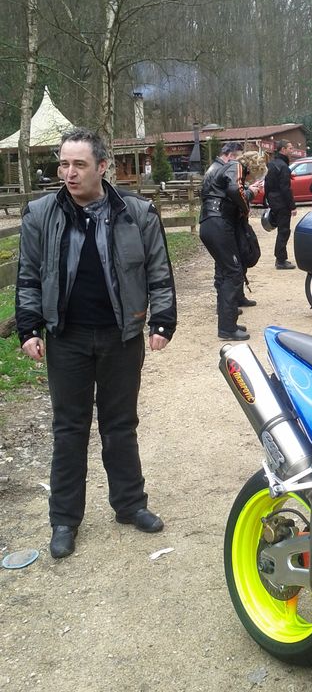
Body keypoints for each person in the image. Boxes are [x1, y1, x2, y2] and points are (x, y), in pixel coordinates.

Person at [16, 127, 177, 560]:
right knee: (69, 429)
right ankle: (64, 519)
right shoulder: (40, 215)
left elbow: (159, 272)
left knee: (120, 425)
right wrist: (29, 328)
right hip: (66, 338)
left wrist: (163, 320)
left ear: (102, 167)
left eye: (79, 164)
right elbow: (29, 276)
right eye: (63, 164)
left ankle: (130, 505)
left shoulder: (137, 213)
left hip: (121, 336)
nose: (69, 173)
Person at [199, 141, 261, 340]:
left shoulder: (220, 170)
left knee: (227, 272)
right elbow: (235, 190)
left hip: (211, 222)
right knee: (233, 273)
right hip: (218, 223)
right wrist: (247, 202)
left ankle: (228, 321)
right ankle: (227, 327)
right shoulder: (235, 166)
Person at [263, 139, 297, 269]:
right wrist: (292, 206)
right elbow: (285, 189)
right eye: (290, 148)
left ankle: (280, 258)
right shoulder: (283, 166)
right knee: (284, 231)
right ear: (283, 149)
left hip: (274, 201)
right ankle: (281, 260)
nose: (292, 150)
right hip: (282, 203)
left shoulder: (271, 164)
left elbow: (267, 184)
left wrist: (268, 200)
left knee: (282, 231)